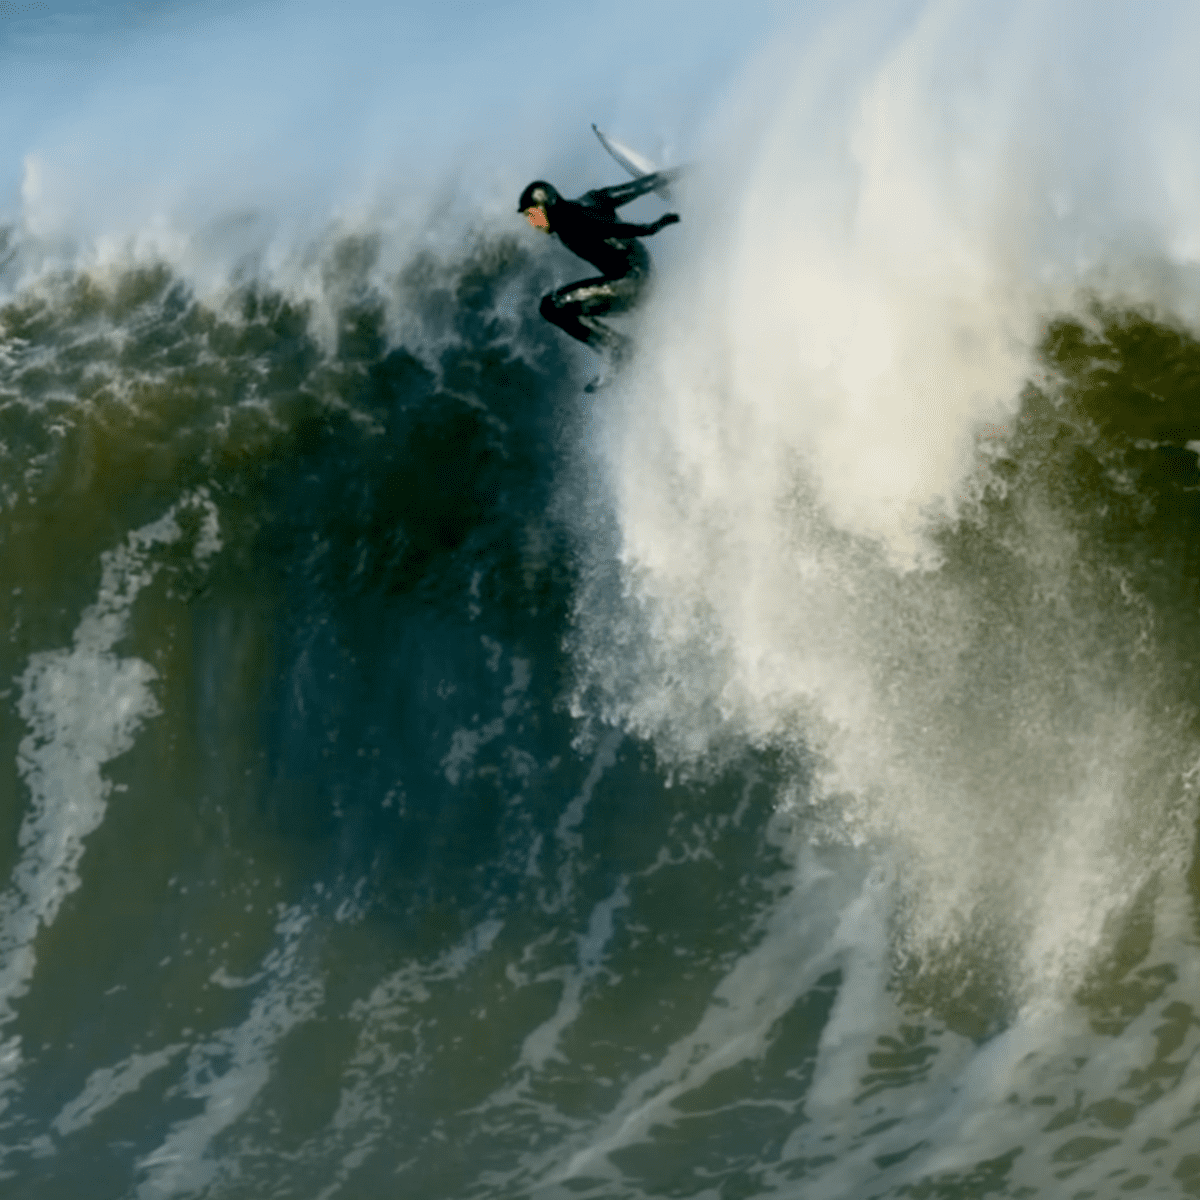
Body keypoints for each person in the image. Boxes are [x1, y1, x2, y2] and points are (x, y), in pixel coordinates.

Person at [518, 171, 681, 371]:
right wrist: (679, 173)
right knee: (562, 308)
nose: (533, 224)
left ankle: (620, 350)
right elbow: (636, 188)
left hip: (633, 283)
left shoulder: (571, 221)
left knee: (553, 306)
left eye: (533, 215)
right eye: (528, 219)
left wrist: (647, 229)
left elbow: (604, 228)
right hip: (642, 275)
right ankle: (621, 350)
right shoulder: (591, 199)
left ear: (547, 205)